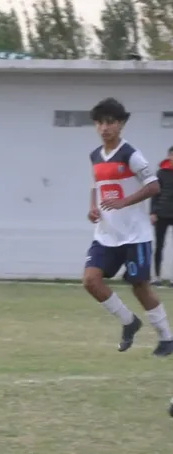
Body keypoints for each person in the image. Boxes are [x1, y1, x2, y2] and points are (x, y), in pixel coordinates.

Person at [83, 97, 171, 356]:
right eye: (99, 122)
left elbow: (154, 185)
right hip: (106, 234)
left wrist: (125, 201)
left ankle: (167, 337)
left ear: (121, 124)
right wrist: (92, 207)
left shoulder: (130, 154)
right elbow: (95, 185)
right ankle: (129, 322)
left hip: (134, 235)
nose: (104, 127)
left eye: (110, 122)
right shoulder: (95, 156)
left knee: (140, 286)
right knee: (90, 281)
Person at [151, 146, 173, 286]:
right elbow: (155, 193)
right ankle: (156, 277)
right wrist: (153, 212)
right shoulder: (161, 172)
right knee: (159, 245)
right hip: (161, 213)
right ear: (169, 156)